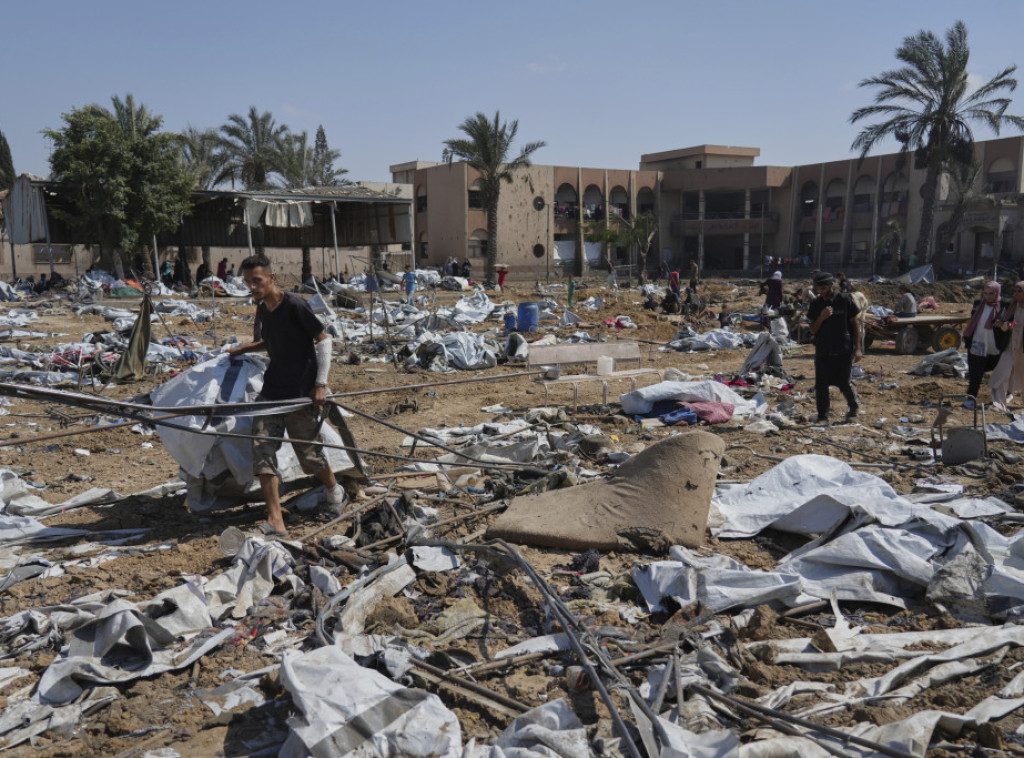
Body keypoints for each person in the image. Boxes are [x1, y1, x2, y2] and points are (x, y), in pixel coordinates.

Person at [225, 255, 346, 537]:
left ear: (271, 278)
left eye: (257, 280)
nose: (252, 287)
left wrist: (320, 384)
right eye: (247, 282)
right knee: (263, 452)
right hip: (271, 393)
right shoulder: (263, 310)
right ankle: (276, 520)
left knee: (309, 457)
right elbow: (274, 341)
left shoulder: (294, 305)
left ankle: (335, 490)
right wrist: (244, 349)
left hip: (299, 393)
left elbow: (323, 340)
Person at [807, 272, 862, 424]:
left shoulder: (844, 300)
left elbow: (855, 325)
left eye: (823, 288)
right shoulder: (816, 304)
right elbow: (812, 330)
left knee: (844, 382)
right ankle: (823, 416)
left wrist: (858, 348)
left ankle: (853, 407)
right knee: (821, 384)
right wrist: (821, 317)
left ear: (831, 285)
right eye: (818, 288)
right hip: (823, 350)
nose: (820, 291)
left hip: (843, 350)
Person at [963, 281, 1010, 409]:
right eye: (985, 293)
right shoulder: (978, 304)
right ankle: (971, 399)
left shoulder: (1006, 305)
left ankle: (1002, 398)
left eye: (991, 293)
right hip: (978, 344)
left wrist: (1004, 325)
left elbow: (1012, 322)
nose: (988, 296)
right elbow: (973, 321)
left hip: (996, 345)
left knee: (1001, 374)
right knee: (975, 374)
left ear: (997, 293)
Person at [990, 281, 1024, 414]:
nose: (1016, 294)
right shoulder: (1013, 306)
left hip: (1022, 348)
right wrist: (1007, 325)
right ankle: (999, 403)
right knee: (1001, 373)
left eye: (1019, 291)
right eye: (1014, 291)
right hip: (1011, 345)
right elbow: (1013, 321)